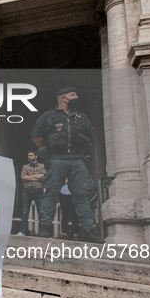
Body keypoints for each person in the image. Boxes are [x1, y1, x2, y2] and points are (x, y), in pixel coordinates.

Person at [31, 87, 102, 243]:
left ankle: (89, 230)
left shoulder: (81, 117)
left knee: (81, 195)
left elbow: (91, 139)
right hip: (57, 159)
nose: (76, 97)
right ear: (63, 98)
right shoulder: (48, 116)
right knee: (51, 193)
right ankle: (44, 227)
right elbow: (36, 136)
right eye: (73, 95)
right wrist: (53, 147)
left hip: (78, 159)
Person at [17, 150, 45, 236]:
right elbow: (23, 177)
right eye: (28, 155)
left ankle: (42, 231)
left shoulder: (41, 166)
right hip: (27, 191)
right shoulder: (25, 167)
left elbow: (43, 176)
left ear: (36, 156)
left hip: (39, 191)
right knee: (25, 212)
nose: (29, 157)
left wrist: (30, 177)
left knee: (41, 212)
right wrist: (37, 177)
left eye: (31, 155)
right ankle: (22, 231)